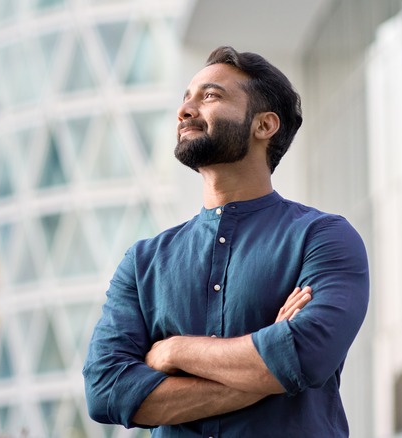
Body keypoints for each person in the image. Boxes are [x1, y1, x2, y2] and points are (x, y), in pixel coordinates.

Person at [82, 46, 369, 437]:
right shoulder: (143, 261)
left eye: (210, 96)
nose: (185, 110)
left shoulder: (323, 237)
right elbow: (106, 391)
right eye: (186, 98)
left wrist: (174, 351)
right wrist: (265, 365)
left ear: (264, 126)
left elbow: (306, 354)